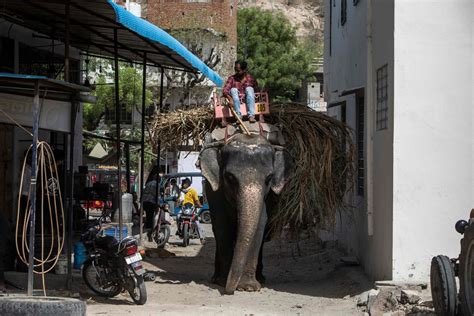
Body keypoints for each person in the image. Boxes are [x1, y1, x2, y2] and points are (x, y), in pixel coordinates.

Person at [179, 178, 205, 243]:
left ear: (187, 184)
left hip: (191, 209)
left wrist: (199, 205)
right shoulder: (181, 191)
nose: (182, 184)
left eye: (183, 183)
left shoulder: (193, 191)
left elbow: (197, 200)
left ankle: (202, 238)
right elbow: (179, 199)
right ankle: (179, 231)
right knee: (177, 217)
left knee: (197, 223)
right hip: (184, 208)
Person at [142, 175, 158, 241]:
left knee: (148, 216)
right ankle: (149, 233)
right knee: (151, 217)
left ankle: (147, 229)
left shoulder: (148, 183)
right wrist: (158, 204)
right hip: (151, 202)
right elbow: (158, 195)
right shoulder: (157, 184)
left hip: (144, 201)